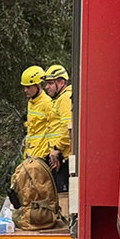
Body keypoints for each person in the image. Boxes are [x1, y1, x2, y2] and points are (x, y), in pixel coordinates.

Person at [42, 64, 74, 193]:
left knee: (63, 196)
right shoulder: (60, 99)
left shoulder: (65, 98)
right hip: (60, 155)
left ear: (61, 83)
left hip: (63, 156)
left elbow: (67, 127)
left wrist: (57, 149)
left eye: (50, 83)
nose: (46, 87)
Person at [20, 65, 55, 160]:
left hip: (42, 156)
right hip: (30, 154)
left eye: (28, 87)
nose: (25, 90)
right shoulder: (31, 102)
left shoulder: (47, 103)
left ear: (38, 85)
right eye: (24, 87)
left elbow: (54, 129)